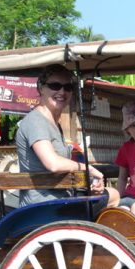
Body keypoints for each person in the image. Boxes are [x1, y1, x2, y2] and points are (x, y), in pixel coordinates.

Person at [15, 65, 119, 207]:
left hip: (62, 195)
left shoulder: (53, 124)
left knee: (111, 195)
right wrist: (88, 168)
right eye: (55, 86)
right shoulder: (36, 121)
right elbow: (53, 164)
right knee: (114, 196)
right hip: (44, 205)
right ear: (41, 88)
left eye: (68, 87)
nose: (62, 92)